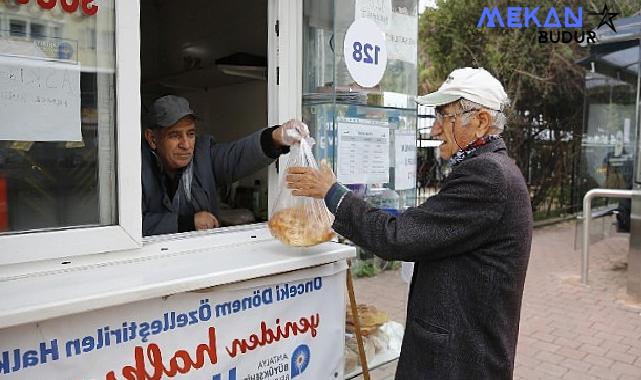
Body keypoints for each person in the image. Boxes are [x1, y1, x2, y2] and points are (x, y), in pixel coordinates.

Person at [287, 67, 533, 379]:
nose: (434, 129)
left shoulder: (487, 176)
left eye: (445, 117)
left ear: (481, 121)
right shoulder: (491, 170)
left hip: (458, 362)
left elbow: (398, 237)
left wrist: (332, 193)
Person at [142, 95, 307, 236]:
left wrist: (276, 137)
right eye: (174, 135)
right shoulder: (133, 169)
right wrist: (187, 223)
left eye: (190, 134)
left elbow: (238, 156)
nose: (185, 144)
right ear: (152, 139)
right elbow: (130, 227)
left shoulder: (203, 155)